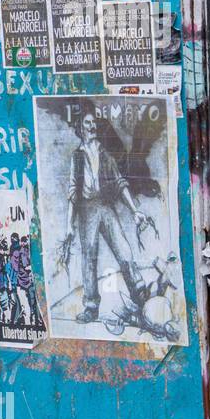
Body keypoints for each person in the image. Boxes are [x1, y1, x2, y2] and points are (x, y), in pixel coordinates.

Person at [61, 112, 149, 323]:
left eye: (94, 123)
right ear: (80, 128)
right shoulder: (77, 156)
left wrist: (135, 210)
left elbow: (120, 183)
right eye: (87, 123)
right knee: (89, 257)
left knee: (123, 249)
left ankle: (140, 294)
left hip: (105, 205)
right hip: (87, 210)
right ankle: (91, 307)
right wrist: (69, 225)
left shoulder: (104, 154)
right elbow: (73, 191)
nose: (92, 126)